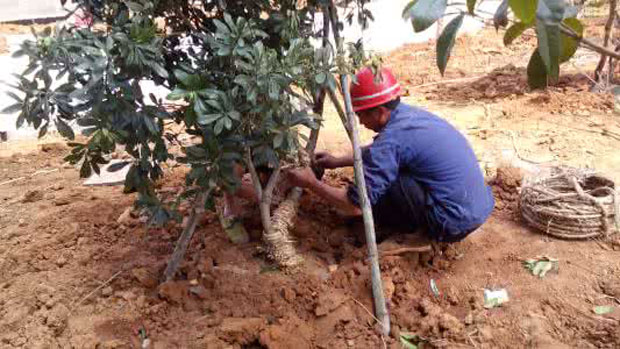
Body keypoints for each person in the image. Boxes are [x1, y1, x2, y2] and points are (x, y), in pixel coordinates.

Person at [285, 66, 495, 243]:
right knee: (389, 168)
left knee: (382, 186)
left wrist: (311, 183)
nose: (360, 122)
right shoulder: (409, 116)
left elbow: (356, 206)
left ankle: (412, 234)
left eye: (361, 114)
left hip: (451, 224)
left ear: (380, 112)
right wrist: (338, 161)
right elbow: (387, 151)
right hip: (474, 208)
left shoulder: (391, 141)